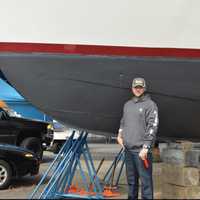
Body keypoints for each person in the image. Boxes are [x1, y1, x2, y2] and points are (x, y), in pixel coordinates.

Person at [117, 77, 159, 199]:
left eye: (140, 87)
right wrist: (120, 134)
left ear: (144, 88)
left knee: (146, 184)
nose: (138, 89)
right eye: (136, 87)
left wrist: (146, 147)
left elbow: (153, 126)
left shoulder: (150, 105)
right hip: (128, 150)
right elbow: (123, 121)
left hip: (142, 152)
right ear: (132, 88)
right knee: (131, 183)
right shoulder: (127, 105)